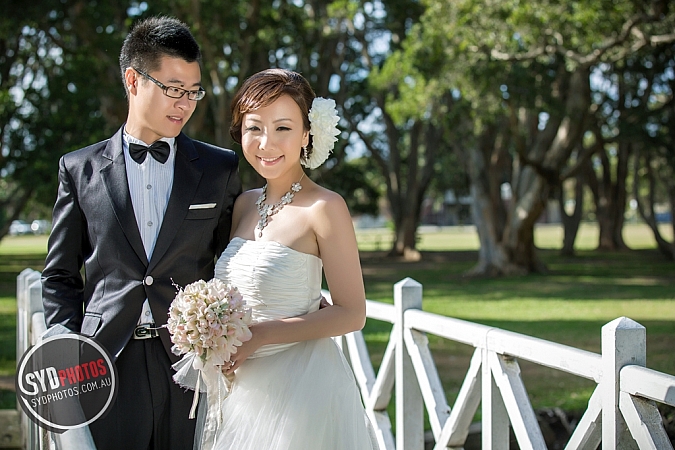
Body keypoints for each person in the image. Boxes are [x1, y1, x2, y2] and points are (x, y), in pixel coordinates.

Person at [41, 16, 241, 450]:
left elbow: (233, 263)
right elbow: (59, 275)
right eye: (174, 89)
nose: (185, 104)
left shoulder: (219, 169)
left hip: (189, 365)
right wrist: (62, 343)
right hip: (104, 362)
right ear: (134, 81)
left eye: (193, 92)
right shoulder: (78, 169)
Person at [205, 68, 378, 450]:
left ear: (306, 135)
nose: (266, 143)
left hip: (300, 388)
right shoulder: (243, 204)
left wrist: (260, 336)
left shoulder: (325, 207)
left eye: (282, 128)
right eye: (254, 128)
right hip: (240, 388)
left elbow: (352, 313)